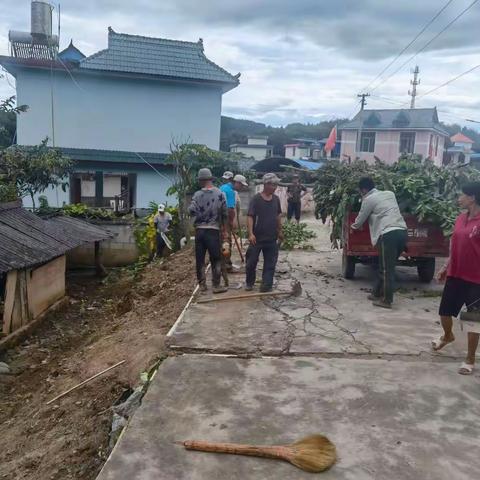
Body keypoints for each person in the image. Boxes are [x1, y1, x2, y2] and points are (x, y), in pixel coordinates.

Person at [432, 182, 480, 375]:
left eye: (462, 195)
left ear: (472, 198)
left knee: (473, 320)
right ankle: (448, 335)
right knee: (445, 312)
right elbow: (455, 247)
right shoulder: (460, 219)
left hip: (476, 278)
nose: (459, 199)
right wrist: (445, 267)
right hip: (456, 274)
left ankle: (469, 359)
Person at [351, 177, 407, 309]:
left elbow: (359, 221)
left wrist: (352, 227)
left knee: (387, 269)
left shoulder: (368, 200)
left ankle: (387, 300)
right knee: (385, 266)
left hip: (388, 235)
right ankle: (376, 293)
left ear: (364, 190)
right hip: (402, 232)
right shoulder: (390, 194)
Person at [188, 168, 228, 294]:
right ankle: (216, 286)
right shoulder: (220, 194)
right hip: (213, 231)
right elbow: (225, 214)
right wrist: (224, 230)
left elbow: (191, 210)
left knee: (200, 259)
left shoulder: (197, 195)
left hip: (200, 231)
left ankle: (202, 286)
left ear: (201, 180)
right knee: (215, 258)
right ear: (210, 179)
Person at [245, 173, 283, 293]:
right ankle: (250, 282)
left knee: (270, 263)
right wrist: (250, 233)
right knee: (251, 262)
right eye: (273, 185)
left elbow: (278, 216)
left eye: (276, 185)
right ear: (266, 184)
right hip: (257, 237)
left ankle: (266, 284)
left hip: (271, 237)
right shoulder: (256, 199)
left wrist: (280, 231)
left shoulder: (276, 199)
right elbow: (250, 216)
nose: (275, 187)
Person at [220, 171, 236, 271]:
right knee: (227, 240)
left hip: (219, 219)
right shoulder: (230, 190)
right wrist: (231, 221)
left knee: (222, 240)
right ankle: (227, 264)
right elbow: (230, 208)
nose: (225, 180)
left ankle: (222, 262)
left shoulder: (221, 188)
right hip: (225, 218)